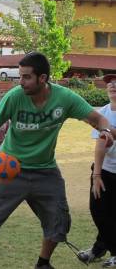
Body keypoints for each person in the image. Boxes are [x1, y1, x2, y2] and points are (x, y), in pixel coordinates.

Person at [0, 52, 115, 269]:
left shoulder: (64, 98)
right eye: (20, 76)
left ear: (42, 78)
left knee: (59, 219)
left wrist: (106, 130)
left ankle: (43, 263)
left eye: (26, 77)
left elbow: (97, 119)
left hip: (45, 170)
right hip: (11, 170)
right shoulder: (15, 96)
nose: (20, 82)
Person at [78, 74, 116, 268]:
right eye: (110, 82)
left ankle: (107, 251)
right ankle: (100, 248)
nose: (113, 85)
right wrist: (97, 174)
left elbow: (109, 136)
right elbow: (101, 143)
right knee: (100, 211)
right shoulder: (103, 112)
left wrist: (110, 132)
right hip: (106, 171)